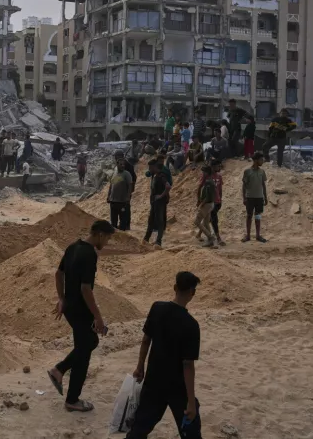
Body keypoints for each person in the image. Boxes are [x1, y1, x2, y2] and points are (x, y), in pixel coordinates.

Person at [48, 220, 116, 413]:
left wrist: (61, 299)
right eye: (108, 238)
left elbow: (58, 274)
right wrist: (98, 317)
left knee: (88, 345)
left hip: (70, 307)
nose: (108, 242)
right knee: (85, 349)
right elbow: (86, 289)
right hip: (80, 309)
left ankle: (61, 376)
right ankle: (68, 391)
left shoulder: (73, 246)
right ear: (100, 235)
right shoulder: (89, 254)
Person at [126, 272, 202, 439]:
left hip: (154, 380)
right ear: (193, 293)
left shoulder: (157, 308)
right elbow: (187, 365)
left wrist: (140, 366)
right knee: (191, 432)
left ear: (174, 288)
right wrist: (190, 401)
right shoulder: (191, 325)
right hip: (177, 386)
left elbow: (146, 340)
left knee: (139, 429)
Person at [143, 159, 171, 247]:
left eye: (151, 168)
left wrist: (161, 196)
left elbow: (168, 186)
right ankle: (146, 239)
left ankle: (158, 241)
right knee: (151, 220)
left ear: (155, 167)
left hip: (160, 202)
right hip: (154, 202)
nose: (150, 170)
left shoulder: (161, 176)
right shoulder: (154, 175)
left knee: (160, 221)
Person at [242, 152, 268, 243]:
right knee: (249, 216)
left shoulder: (262, 172)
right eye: (261, 159)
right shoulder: (247, 171)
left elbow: (263, 185)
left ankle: (258, 235)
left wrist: (265, 197)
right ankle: (248, 235)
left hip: (259, 198)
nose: (263, 161)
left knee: (257, 216)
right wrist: (244, 198)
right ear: (256, 160)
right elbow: (244, 185)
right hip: (250, 198)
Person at [107, 151, 133, 231]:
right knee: (113, 222)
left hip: (122, 201)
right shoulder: (115, 172)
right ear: (117, 164)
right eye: (120, 164)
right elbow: (111, 185)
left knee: (122, 222)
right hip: (113, 201)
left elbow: (130, 185)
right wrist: (108, 196)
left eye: (123, 164)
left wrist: (128, 197)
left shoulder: (127, 174)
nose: (122, 166)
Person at [203, 160, 225, 246]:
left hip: (217, 201)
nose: (219, 168)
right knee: (214, 219)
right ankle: (218, 238)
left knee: (210, 219)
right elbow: (202, 188)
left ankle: (205, 236)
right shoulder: (207, 176)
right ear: (212, 167)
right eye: (217, 166)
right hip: (210, 201)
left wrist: (220, 199)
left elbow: (220, 189)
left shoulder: (219, 177)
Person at [194, 166, 216, 247]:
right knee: (206, 223)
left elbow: (208, 196)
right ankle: (210, 241)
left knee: (197, 222)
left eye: (203, 172)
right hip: (210, 204)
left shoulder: (208, 182)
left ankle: (210, 237)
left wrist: (201, 203)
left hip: (207, 204)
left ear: (206, 173)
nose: (202, 174)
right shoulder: (211, 181)